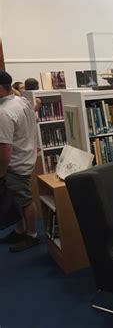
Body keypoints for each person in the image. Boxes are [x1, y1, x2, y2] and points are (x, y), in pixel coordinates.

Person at [0, 70, 40, 253]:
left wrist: (1, 172)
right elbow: (31, 115)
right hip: (25, 157)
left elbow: (5, 148)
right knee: (16, 198)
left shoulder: (3, 112)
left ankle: (31, 235)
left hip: (15, 163)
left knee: (23, 200)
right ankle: (20, 229)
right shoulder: (21, 100)